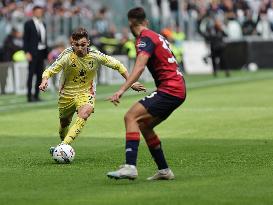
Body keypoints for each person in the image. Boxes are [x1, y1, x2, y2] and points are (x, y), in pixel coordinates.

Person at [107, 7, 186, 180]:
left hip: (170, 89)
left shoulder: (145, 38)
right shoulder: (156, 35)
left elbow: (140, 66)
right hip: (177, 88)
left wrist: (122, 90)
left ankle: (130, 167)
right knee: (145, 125)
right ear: (146, 21)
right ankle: (164, 170)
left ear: (130, 23)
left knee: (130, 117)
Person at [38, 27, 145, 154]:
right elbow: (50, 70)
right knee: (64, 123)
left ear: (88, 43)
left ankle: (63, 146)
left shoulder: (95, 55)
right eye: (76, 45)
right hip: (66, 94)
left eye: (82, 44)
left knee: (85, 112)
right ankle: (63, 143)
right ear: (72, 44)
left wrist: (131, 82)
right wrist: (45, 80)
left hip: (86, 92)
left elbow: (118, 65)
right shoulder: (67, 56)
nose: (79, 48)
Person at [23, 5, 48, 102]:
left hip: (42, 52)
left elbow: (45, 38)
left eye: (40, 12)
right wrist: (26, 52)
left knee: (40, 75)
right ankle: (29, 96)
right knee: (31, 74)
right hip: (33, 52)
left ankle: (37, 95)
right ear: (33, 12)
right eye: (37, 12)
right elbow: (25, 39)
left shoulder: (43, 23)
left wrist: (47, 52)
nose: (39, 13)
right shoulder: (28, 24)